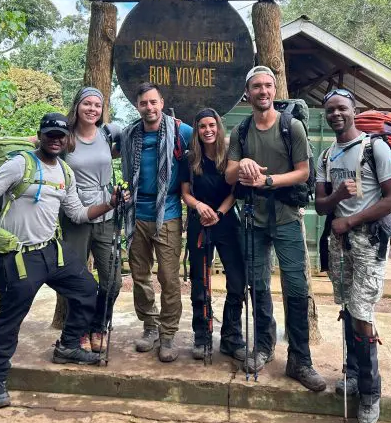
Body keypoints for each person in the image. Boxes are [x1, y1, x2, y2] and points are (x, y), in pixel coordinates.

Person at [0, 113, 129, 409]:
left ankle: (69, 346)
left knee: (87, 289)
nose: (56, 140)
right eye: (50, 134)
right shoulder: (20, 164)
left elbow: (77, 213)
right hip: (17, 256)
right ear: (41, 135)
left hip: (51, 250)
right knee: (12, 316)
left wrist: (110, 204)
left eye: (61, 136)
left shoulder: (65, 172)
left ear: (67, 140)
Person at [0, 87, 123, 353]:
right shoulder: (63, 135)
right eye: (87, 103)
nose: (92, 109)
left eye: (97, 105)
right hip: (73, 215)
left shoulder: (109, 133)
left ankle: (100, 325)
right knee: (77, 280)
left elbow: (144, 131)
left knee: (111, 280)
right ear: (77, 106)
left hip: (103, 211)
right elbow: (26, 141)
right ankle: (79, 333)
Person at [225, 65, 326, 392]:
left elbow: (302, 172)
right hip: (253, 220)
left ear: (273, 90)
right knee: (257, 284)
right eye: (257, 86)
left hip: (287, 218)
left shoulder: (291, 127)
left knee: (295, 286)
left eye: (268, 86)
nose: (263, 91)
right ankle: (264, 346)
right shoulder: (241, 132)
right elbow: (228, 174)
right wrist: (241, 164)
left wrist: (268, 181)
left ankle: (300, 358)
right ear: (248, 93)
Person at [314, 89, 391, 423]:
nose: (336, 114)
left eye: (342, 109)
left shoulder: (374, 148)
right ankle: (351, 372)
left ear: (354, 110)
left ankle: (370, 392)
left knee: (363, 313)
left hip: (368, 241)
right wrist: (338, 197)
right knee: (348, 308)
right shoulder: (327, 156)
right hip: (339, 243)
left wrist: (350, 220)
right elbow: (321, 204)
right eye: (330, 110)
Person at [119, 82, 192, 362]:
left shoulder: (181, 132)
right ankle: (149, 326)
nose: (149, 108)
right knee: (140, 276)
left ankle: (168, 333)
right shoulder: (130, 135)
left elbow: (211, 144)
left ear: (162, 102)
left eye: (153, 102)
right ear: (137, 106)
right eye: (143, 103)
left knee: (169, 279)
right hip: (137, 213)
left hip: (169, 214)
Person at [180, 108, 246, 360]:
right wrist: (199, 207)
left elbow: (234, 191)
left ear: (219, 127)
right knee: (200, 281)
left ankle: (231, 336)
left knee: (238, 280)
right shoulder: (189, 158)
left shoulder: (230, 155)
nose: (208, 130)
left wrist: (218, 213)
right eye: (202, 126)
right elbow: (185, 192)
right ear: (196, 130)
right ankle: (202, 334)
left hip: (227, 221)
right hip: (199, 222)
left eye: (212, 125)